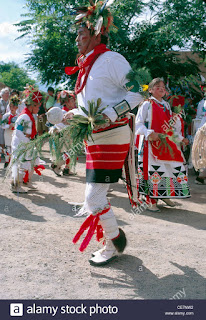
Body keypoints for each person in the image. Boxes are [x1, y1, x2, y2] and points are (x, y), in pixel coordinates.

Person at [64, 1, 143, 266]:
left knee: (93, 196)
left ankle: (114, 240)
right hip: (95, 138)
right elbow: (89, 108)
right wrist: (69, 116)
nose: (77, 39)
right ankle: (112, 240)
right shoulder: (88, 65)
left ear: (97, 32)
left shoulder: (111, 59)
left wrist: (110, 114)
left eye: (81, 33)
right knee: (95, 193)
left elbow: (138, 90)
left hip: (113, 134)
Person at [135, 78, 190, 212]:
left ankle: (164, 194)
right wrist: (149, 133)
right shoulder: (147, 104)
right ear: (151, 90)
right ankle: (150, 201)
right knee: (153, 171)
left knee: (171, 168)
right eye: (157, 86)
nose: (161, 88)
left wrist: (181, 138)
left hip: (167, 144)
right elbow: (138, 124)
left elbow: (169, 127)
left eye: (163, 86)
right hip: (151, 144)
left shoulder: (166, 105)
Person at [10, 85, 43, 194]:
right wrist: (26, 143)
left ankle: (26, 181)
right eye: (37, 106)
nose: (38, 108)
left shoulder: (31, 115)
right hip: (21, 144)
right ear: (32, 105)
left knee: (32, 161)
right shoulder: (24, 116)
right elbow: (18, 131)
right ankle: (15, 185)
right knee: (21, 164)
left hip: (27, 143)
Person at [1, 95, 19, 168]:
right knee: (8, 147)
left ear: (17, 107)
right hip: (7, 133)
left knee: (14, 147)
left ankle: (13, 162)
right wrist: (8, 126)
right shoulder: (6, 115)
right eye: (11, 106)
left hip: (15, 134)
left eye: (14, 107)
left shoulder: (18, 116)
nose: (12, 108)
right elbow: (2, 125)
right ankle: (7, 161)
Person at [0, 87, 10, 152]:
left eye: (8, 93)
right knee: (1, 135)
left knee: (7, 135)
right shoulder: (0, 102)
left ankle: (7, 151)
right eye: (6, 93)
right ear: (2, 94)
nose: (7, 94)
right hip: (1, 120)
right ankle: (2, 150)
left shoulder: (10, 102)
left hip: (8, 120)